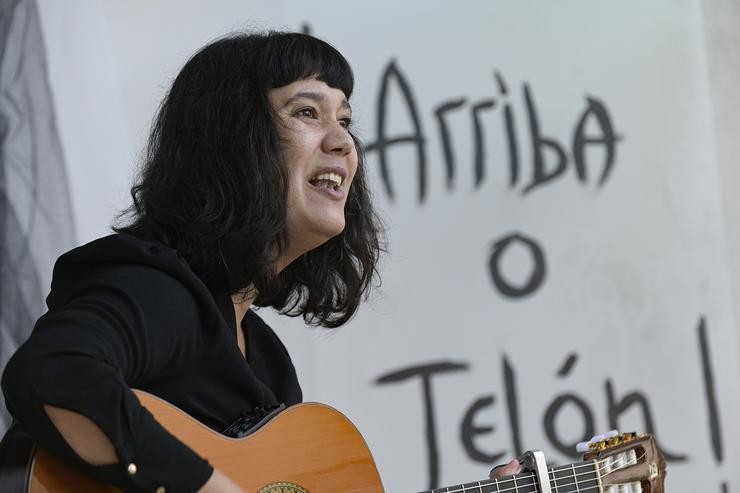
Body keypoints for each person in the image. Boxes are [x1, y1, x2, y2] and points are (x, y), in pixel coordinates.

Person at [1, 31, 383, 492]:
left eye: (345, 119)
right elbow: (53, 371)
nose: (343, 140)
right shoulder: (160, 290)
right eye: (306, 112)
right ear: (233, 141)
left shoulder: (268, 366)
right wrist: (203, 486)